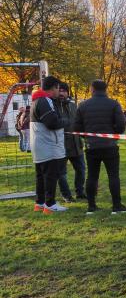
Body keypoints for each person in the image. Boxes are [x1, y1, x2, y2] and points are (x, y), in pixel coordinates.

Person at [74, 80, 126, 215]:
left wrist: (87, 137)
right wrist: (114, 135)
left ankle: (91, 206)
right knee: (113, 176)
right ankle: (116, 206)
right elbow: (121, 125)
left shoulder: (82, 106)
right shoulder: (114, 104)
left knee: (92, 176)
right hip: (110, 146)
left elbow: (76, 127)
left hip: (91, 147)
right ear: (106, 90)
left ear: (92, 89)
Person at [30, 76, 70, 214]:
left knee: (41, 176)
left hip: (40, 145)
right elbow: (52, 122)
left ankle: (40, 203)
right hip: (49, 146)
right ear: (53, 87)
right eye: (58, 88)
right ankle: (50, 204)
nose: (59, 91)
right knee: (50, 176)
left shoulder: (36, 101)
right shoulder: (45, 101)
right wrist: (65, 122)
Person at [57, 82, 86, 202]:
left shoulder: (74, 106)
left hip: (76, 144)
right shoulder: (53, 106)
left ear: (67, 92)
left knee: (81, 169)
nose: (61, 93)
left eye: (64, 91)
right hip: (61, 145)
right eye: (59, 90)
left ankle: (80, 192)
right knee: (61, 173)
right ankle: (66, 195)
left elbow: (79, 122)